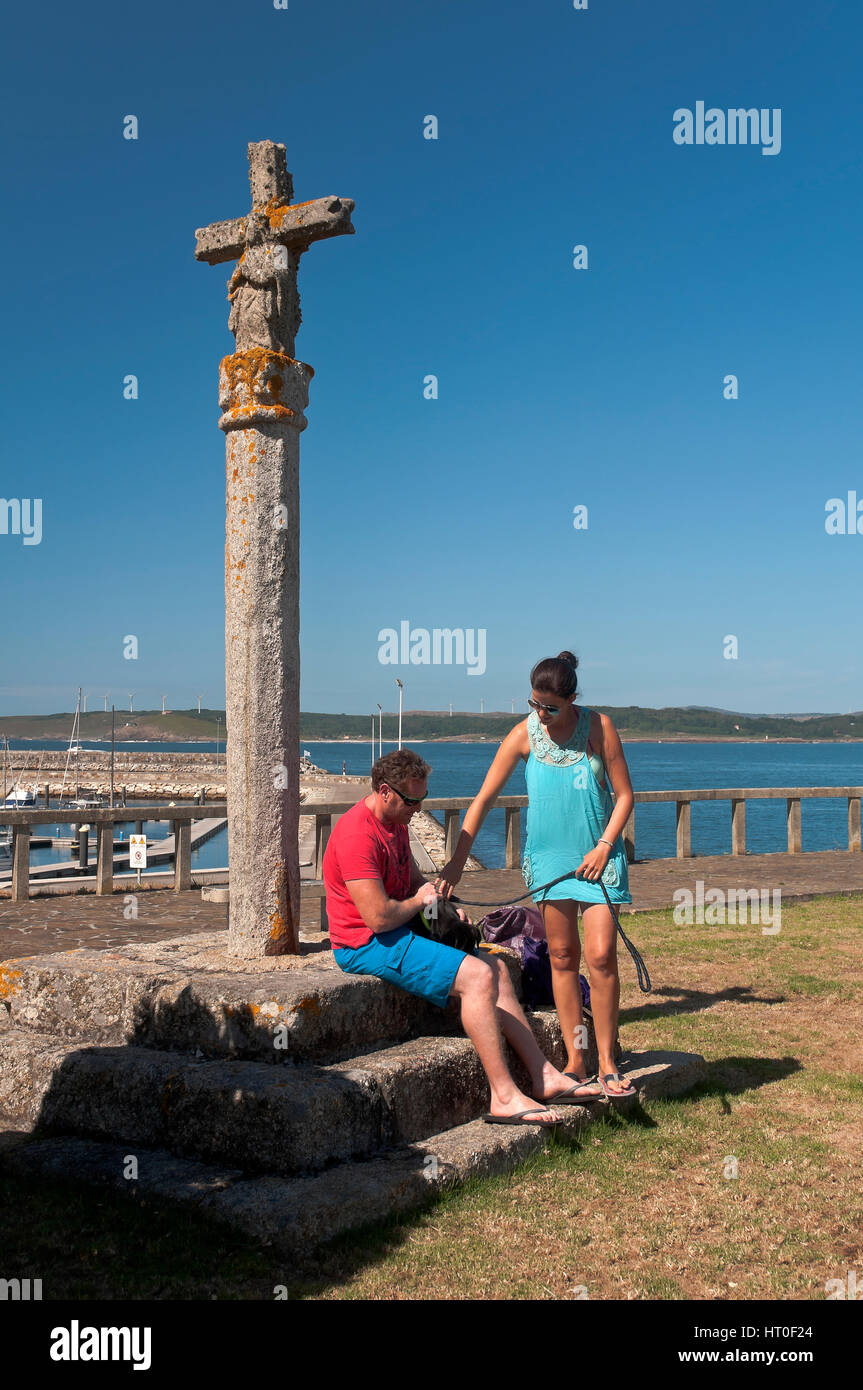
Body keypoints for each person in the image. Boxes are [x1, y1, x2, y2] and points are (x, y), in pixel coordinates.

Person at [323, 748, 597, 1125]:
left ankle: (544, 1075)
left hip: (397, 930)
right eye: (411, 801)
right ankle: (503, 1096)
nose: (417, 809)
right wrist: (421, 901)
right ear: (384, 791)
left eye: (422, 800)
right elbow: (378, 917)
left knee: (497, 968)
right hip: (364, 944)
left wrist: (442, 912)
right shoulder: (357, 835)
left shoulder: (395, 822)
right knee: (478, 977)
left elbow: (414, 883)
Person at [437, 651, 637, 1100]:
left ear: (571, 700)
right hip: (549, 865)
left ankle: (607, 1061)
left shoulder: (601, 729)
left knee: (602, 956)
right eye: (534, 704)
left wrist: (605, 846)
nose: (542, 714)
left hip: (599, 861)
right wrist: (456, 864)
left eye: (551, 707)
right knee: (563, 957)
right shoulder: (523, 735)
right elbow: (483, 800)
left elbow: (625, 797)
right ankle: (577, 1058)